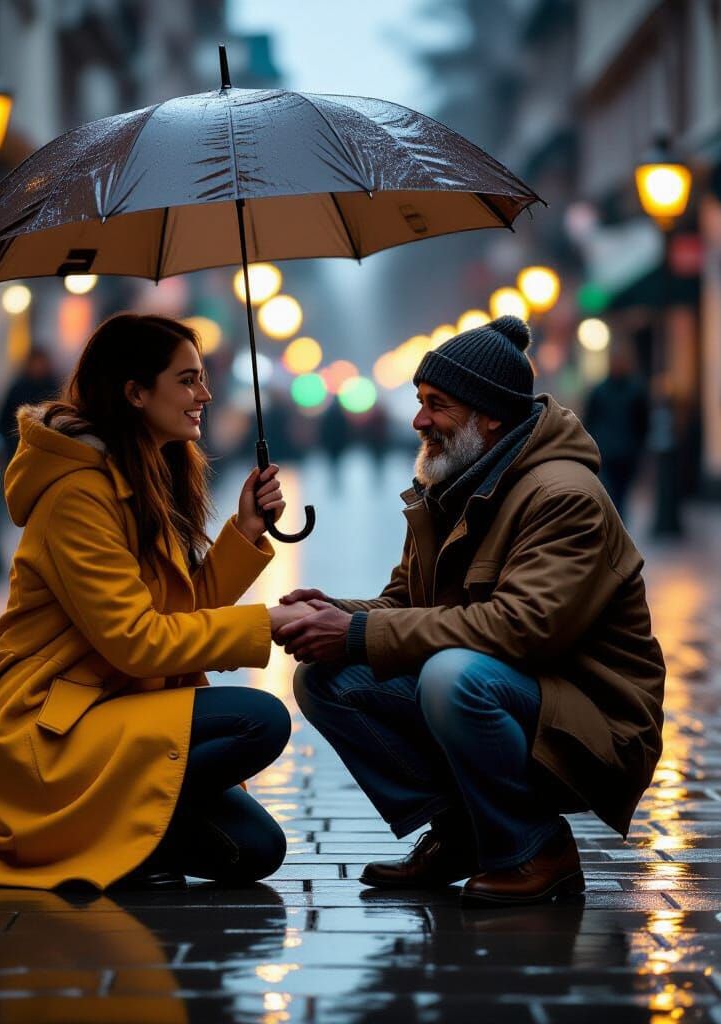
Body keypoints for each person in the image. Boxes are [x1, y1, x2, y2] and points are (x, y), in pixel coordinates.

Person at [0, 314, 310, 890]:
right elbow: (137, 641)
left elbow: (177, 614)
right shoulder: (79, 495)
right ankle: (74, 833)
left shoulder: (141, 476)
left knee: (254, 850)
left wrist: (245, 531)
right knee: (259, 719)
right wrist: (265, 623)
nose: (205, 394)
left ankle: (112, 840)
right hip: (47, 733)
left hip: (115, 712)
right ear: (136, 393)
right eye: (188, 379)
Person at [282, 315, 666, 907]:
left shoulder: (563, 495)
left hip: (594, 720)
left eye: (437, 405)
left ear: (491, 415)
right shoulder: (451, 485)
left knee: (452, 676)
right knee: (326, 676)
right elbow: (403, 607)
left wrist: (358, 631)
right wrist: (329, 612)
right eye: (419, 402)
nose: (418, 420)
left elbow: (520, 630)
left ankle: (536, 847)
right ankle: (461, 835)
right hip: (517, 690)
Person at [582, 342, 649, 520]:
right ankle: (615, 522)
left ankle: (618, 522)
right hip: (606, 452)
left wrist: (638, 445)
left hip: (627, 452)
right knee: (611, 491)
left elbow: (642, 422)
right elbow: (590, 419)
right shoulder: (600, 391)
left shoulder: (635, 390)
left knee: (622, 493)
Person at [0, 345, 61, 458]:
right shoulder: (18, 388)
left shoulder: (54, 387)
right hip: (20, 449)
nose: (37, 367)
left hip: (47, 451)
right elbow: (5, 419)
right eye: (35, 363)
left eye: (40, 363)